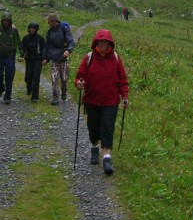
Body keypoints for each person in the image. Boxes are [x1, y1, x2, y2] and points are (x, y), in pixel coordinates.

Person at [75, 29, 129, 175]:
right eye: (101, 41)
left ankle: (106, 159)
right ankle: (94, 147)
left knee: (107, 127)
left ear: (110, 43)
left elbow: (123, 80)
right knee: (93, 129)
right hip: (91, 100)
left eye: (106, 42)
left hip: (110, 101)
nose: (103, 44)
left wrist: (124, 96)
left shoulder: (116, 59)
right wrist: (79, 83)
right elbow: (80, 76)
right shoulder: (89, 57)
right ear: (96, 42)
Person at [0, 12, 21, 104]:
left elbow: (19, 43)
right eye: (4, 20)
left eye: (7, 20)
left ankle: (7, 97)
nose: (6, 22)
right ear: (2, 21)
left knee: (9, 76)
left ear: (10, 21)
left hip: (10, 56)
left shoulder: (14, 30)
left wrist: (21, 54)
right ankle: (0, 89)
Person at [43, 12, 75, 106]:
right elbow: (47, 45)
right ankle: (55, 97)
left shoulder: (64, 29)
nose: (48, 24)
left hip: (63, 58)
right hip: (54, 59)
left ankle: (64, 90)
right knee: (54, 78)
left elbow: (71, 42)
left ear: (54, 21)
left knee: (64, 78)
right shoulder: (50, 32)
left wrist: (68, 51)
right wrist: (45, 58)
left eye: (49, 22)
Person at [21, 22, 45, 102]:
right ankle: (29, 87)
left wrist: (44, 58)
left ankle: (35, 97)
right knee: (28, 78)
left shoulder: (40, 39)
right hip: (29, 59)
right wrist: (22, 56)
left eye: (33, 28)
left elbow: (44, 49)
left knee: (36, 78)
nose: (31, 30)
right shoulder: (26, 38)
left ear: (36, 29)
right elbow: (22, 48)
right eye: (30, 28)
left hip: (38, 59)